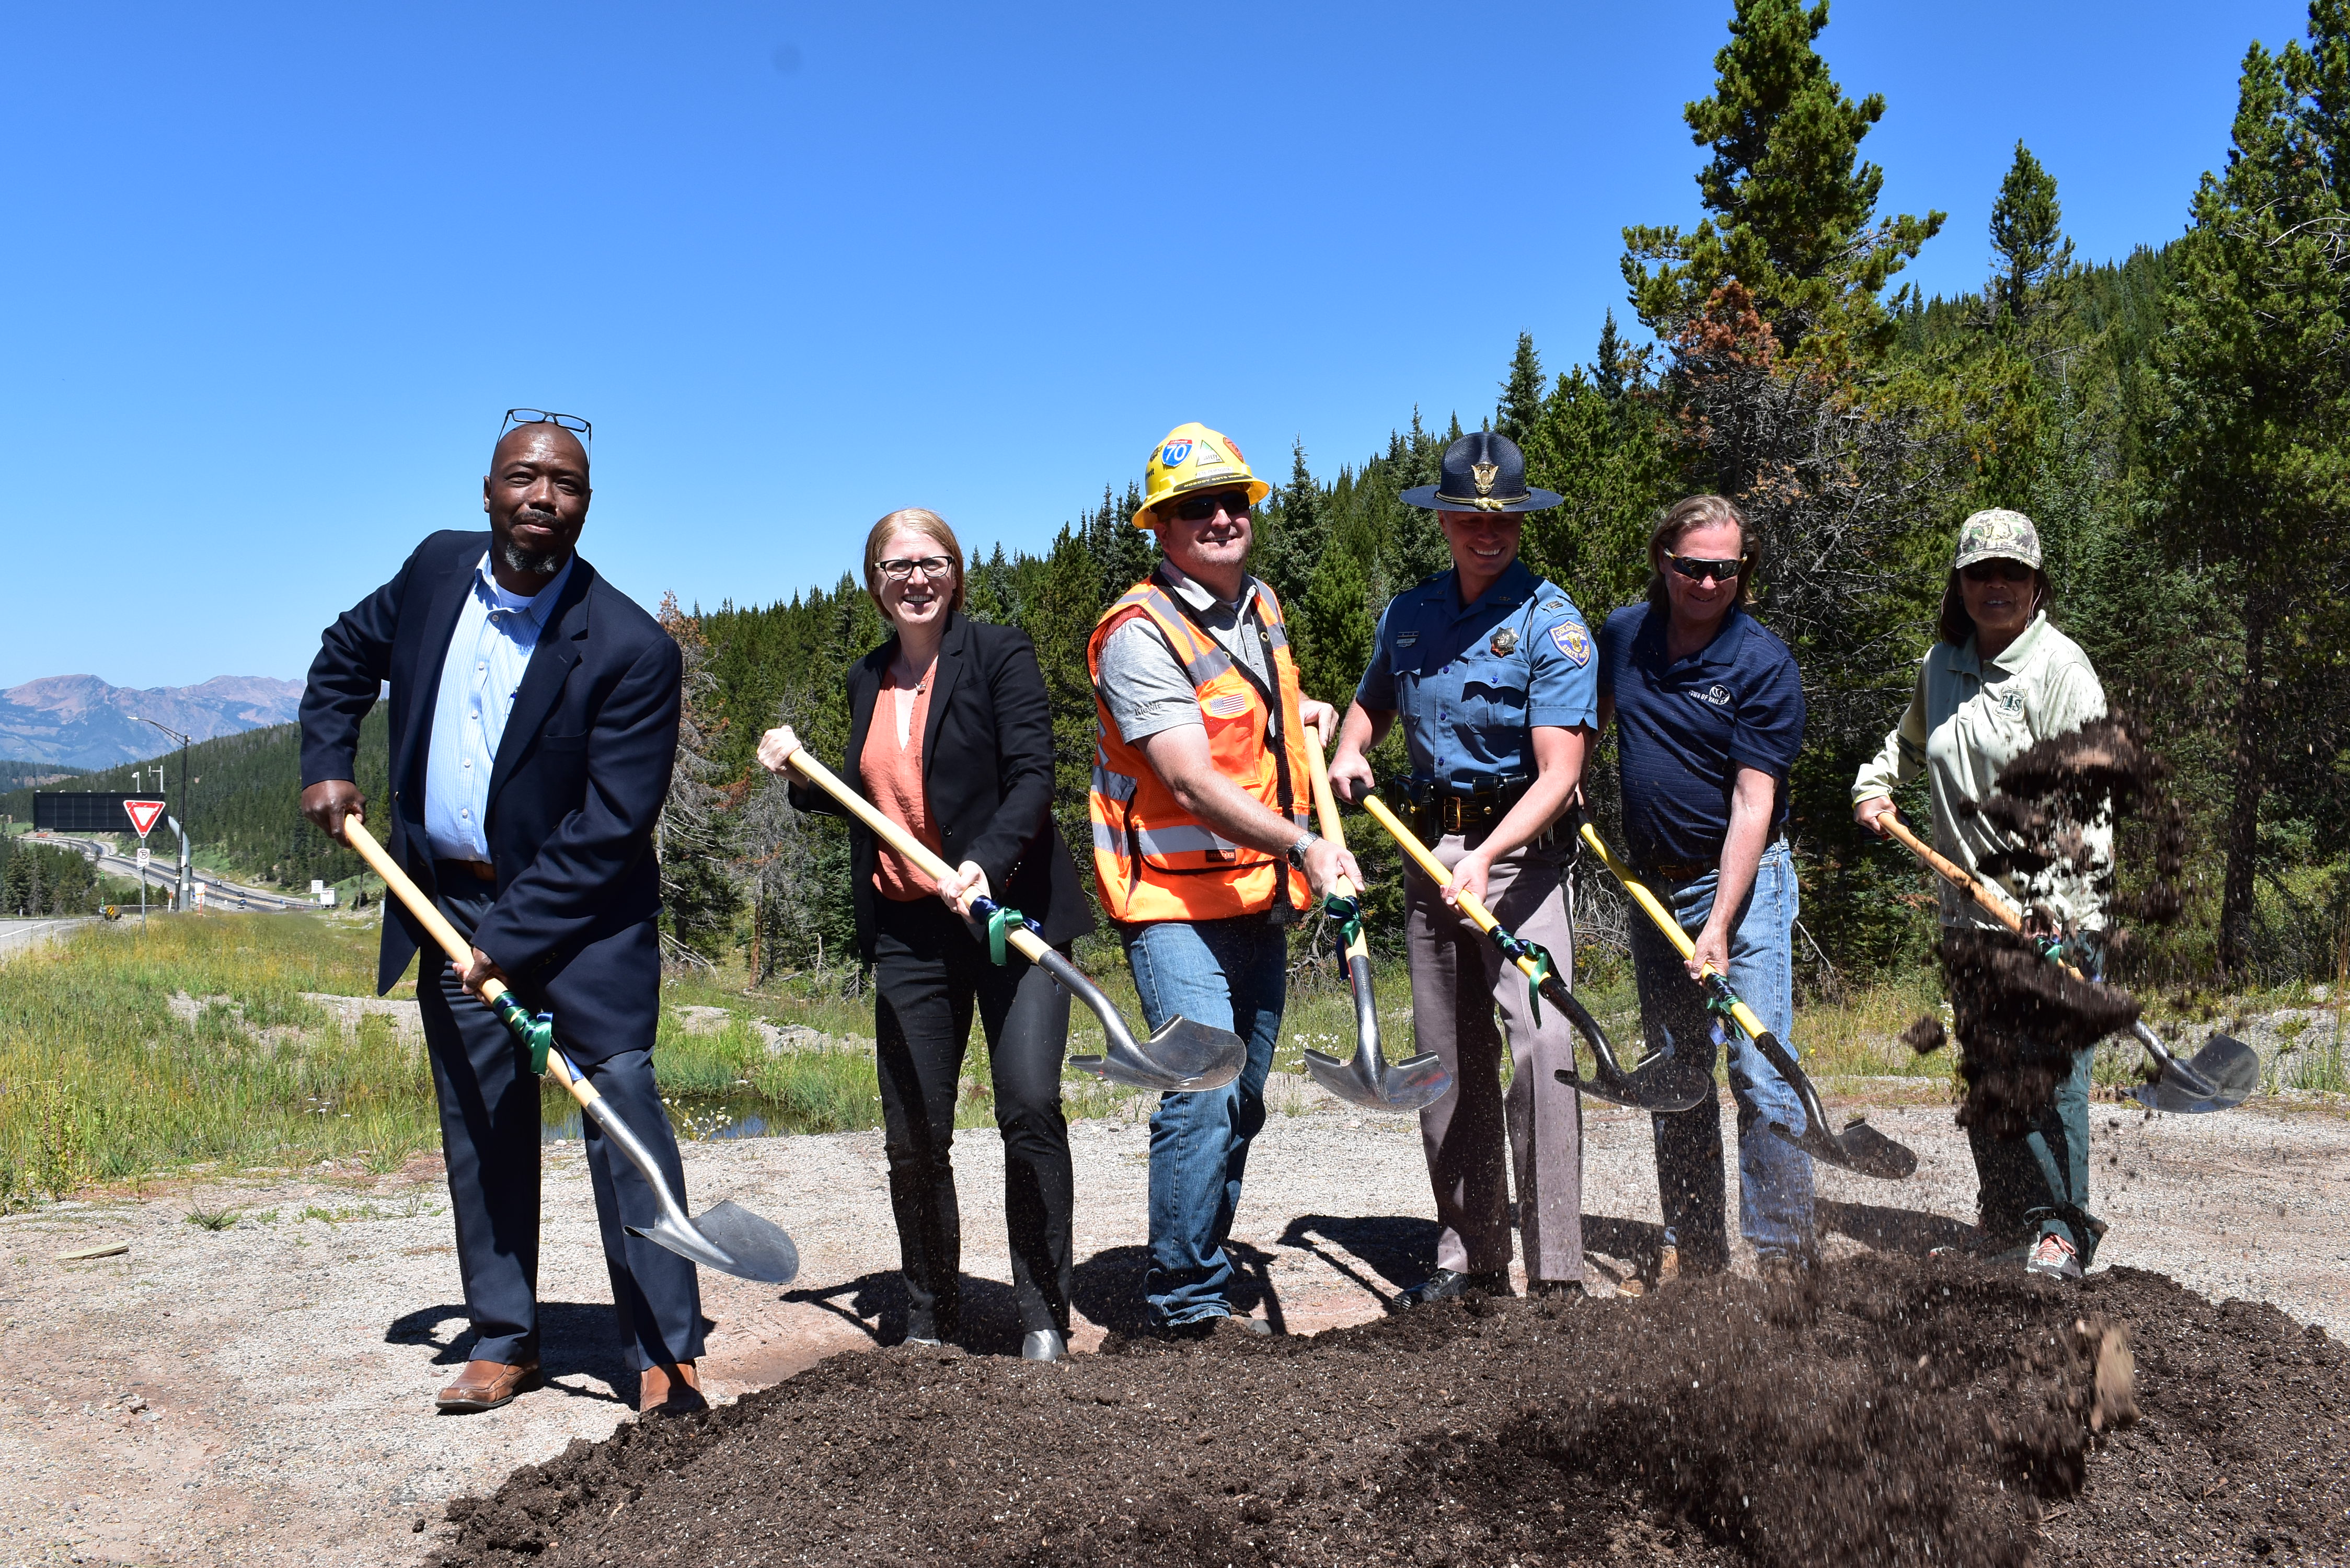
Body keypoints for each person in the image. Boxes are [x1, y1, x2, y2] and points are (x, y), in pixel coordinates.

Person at [298, 410, 707, 1414]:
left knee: (621, 1110)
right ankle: (505, 1335)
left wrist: (503, 941)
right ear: (488, 490)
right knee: (482, 1124)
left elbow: (612, 827)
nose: (542, 497)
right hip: (446, 897)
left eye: (565, 484)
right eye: (523, 477)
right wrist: (327, 763)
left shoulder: (629, 648)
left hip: (585, 927)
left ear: (586, 506)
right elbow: (345, 656)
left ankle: (662, 1349)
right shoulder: (437, 573)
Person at [756, 509, 1091, 1359]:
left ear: (955, 573)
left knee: (1031, 1108)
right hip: (911, 929)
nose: (916, 578)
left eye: (932, 562)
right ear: (874, 580)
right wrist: (798, 771)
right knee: (914, 1134)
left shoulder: (999, 654)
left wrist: (982, 862)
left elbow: (1031, 778)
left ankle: (1044, 1313)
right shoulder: (867, 677)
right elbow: (866, 792)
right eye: (897, 564)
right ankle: (931, 1318)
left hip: (1012, 918)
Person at [1087, 421, 1356, 1336]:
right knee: (1201, 1084)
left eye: (1231, 501)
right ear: (1158, 527)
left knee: (1242, 1100)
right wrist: (1307, 845)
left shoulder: (1260, 607)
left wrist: (1304, 710)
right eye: (1194, 507)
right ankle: (1185, 1310)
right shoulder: (1138, 634)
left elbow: (1255, 717)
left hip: (1255, 897)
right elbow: (1193, 777)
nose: (1218, 518)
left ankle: (1199, 1263)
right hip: (1172, 901)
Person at [1327, 431, 1597, 1306]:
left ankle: (1556, 1266)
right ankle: (1469, 1256)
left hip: (1519, 861)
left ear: (1521, 521)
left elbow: (1561, 772)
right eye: (1472, 517)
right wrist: (1348, 748)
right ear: (1443, 518)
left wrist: (1485, 857)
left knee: (1544, 1040)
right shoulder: (1408, 614)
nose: (1490, 533)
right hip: (1424, 855)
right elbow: (1369, 706)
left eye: (1505, 518)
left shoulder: (1551, 625)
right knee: (1447, 1059)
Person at [1852, 508, 2109, 1282]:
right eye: (1981, 573)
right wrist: (1875, 785)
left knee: (2048, 1082)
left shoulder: (2062, 671)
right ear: (1960, 585)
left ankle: (2064, 1233)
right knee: (1990, 1078)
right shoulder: (1944, 665)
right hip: (1970, 916)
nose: (1997, 586)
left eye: (2013, 574)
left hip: (2050, 919)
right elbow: (1902, 742)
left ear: (2037, 585)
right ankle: (2007, 1224)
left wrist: (2055, 912)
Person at [1594, 493, 1812, 1285]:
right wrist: (1575, 775)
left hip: (1742, 893)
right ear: (1663, 560)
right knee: (1677, 1075)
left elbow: (1754, 803)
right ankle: (1696, 1246)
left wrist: (1719, 922)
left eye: (1725, 569)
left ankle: (1785, 1255)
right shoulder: (1624, 636)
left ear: (1742, 571)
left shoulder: (1762, 664)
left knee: (1760, 1070)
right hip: (1653, 889)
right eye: (1693, 566)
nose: (1708, 582)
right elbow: (1590, 716)